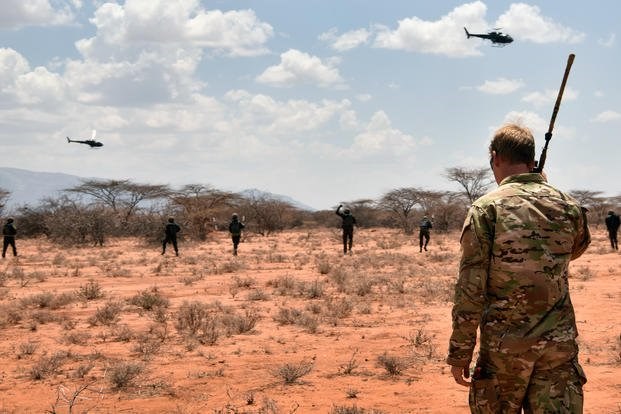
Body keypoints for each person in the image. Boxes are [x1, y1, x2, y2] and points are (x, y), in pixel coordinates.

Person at [447, 124, 591, 413]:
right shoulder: (568, 205)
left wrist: (460, 351)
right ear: (532, 160)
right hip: (557, 348)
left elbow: (471, 289)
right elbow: (573, 250)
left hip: (503, 351)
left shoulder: (486, 208)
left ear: (495, 157)